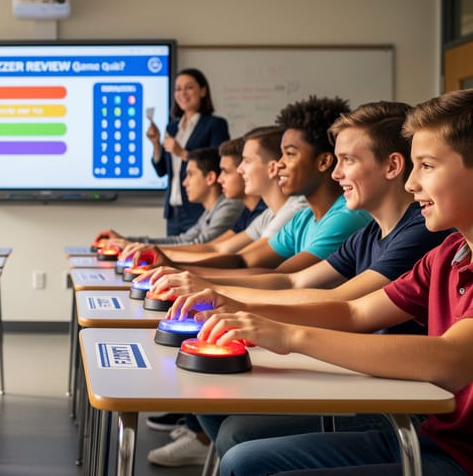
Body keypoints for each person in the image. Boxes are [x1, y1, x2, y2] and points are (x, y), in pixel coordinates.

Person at [173, 89, 473, 476]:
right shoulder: (448, 252)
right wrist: (239, 312)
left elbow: (453, 360)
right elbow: (352, 309)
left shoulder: (426, 237)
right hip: (434, 433)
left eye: (427, 166)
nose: (413, 184)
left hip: (455, 453)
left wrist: (288, 335)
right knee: (242, 456)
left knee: (243, 452)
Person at [156, 95, 371, 275]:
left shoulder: (345, 216)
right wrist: (174, 267)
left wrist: (186, 274)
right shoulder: (303, 219)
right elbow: (243, 261)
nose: (280, 164)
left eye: (290, 154)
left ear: (324, 161)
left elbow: (284, 279)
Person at [147, 68, 229, 235]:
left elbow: (217, 163)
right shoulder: (172, 127)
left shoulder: (215, 124)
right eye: (178, 88)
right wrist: (156, 144)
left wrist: (182, 152)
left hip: (199, 208)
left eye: (189, 87)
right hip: (173, 209)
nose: (182, 93)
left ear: (203, 91)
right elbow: (161, 170)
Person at [110, 147, 245, 247]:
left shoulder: (230, 206)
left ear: (210, 178)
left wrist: (138, 247)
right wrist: (128, 241)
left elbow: (198, 246)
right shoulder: (211, 210)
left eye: (190, 174)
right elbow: (182, 241)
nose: (184, 182)